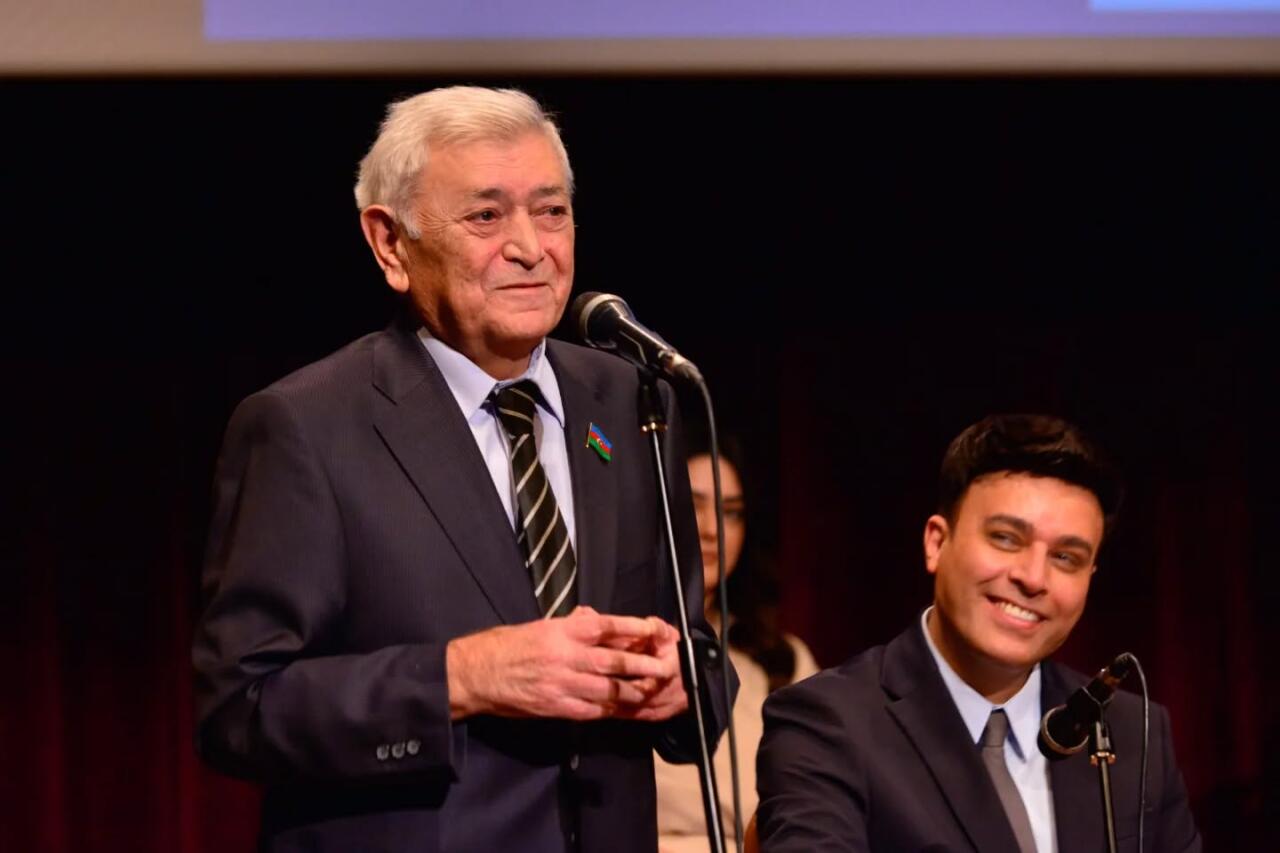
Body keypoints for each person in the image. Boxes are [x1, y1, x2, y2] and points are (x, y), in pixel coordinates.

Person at [192, 86, 734, 853]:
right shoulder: (306, 427)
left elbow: (698, 652)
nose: (531, 247)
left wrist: (682, 682)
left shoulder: (629, 400)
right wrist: (459, 677)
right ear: (390, 244)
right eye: (486, 216)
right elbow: (240, 708)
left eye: (551, 211)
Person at [756, 414, 1202, 852]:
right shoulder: (828, 721)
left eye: (1066, 558)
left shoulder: (1132, 732)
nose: (1033, 577)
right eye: (1006, 538)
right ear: (936, 542)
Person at [655, 438, 818, 853]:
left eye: (730, 513)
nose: (712, 530)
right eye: (694, 505)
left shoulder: (784, 659)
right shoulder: (629, 647)